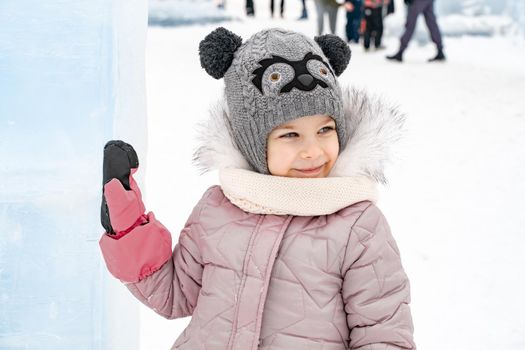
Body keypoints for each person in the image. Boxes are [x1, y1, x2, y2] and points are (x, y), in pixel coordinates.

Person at [99, 27, 416, 350]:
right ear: (252, 143)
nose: (313, 151)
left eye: (324, 130)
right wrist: (128, 228)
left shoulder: (357, 225)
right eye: (290, 135)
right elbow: (176, 295)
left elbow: (383, 333)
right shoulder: (219, 206)